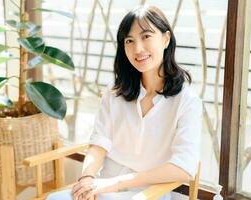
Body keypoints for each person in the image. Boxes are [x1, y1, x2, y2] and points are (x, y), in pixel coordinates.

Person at [47, 4, 202, 200]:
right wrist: (87, 178)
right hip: (103, 186)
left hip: (148, 193)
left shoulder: (187, 101)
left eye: (146, 36)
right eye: (130, 40)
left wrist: (115, 184)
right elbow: (99, 143)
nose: (138, 48)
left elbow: (183, 167)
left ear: (166, 39)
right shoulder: (116, 90)